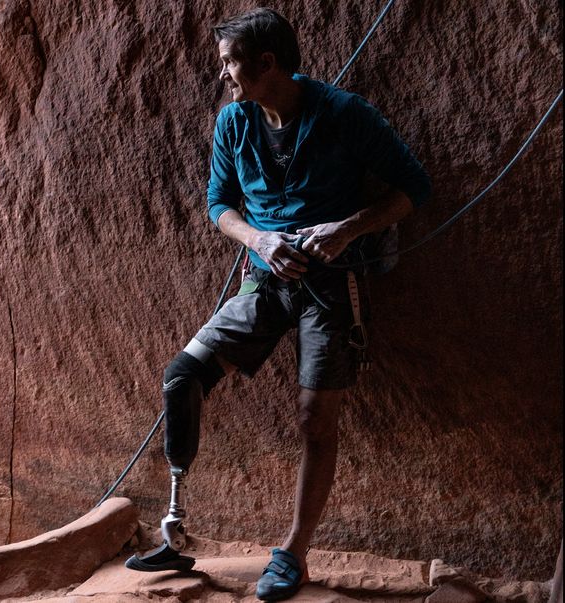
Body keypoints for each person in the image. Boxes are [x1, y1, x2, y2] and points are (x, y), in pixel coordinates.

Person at [124, 8, 431, 602]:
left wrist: (347, 227)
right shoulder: (234, 122)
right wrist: (260, 239)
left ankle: (293, 554)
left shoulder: (344, 114)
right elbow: (219, 205)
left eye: (228, 63)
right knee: (181, 377)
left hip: (331, 284)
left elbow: (413, 188)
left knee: (315, 416)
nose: (222, 76)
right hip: (263, 280)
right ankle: (175, 528)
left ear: (266, 63)